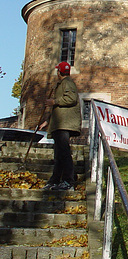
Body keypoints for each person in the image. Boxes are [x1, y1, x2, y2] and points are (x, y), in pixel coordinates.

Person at [38, 61, 82, 191]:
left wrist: (54, 101)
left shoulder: (67, 83)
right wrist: (47, 121)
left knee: (63, 153)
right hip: (60, 123)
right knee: (59, 154)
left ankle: (68, 181)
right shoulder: (62, 84)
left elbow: (71, 99)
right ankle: (55, 180)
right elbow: (58, 109)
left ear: (59, 72)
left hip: (64, 124)